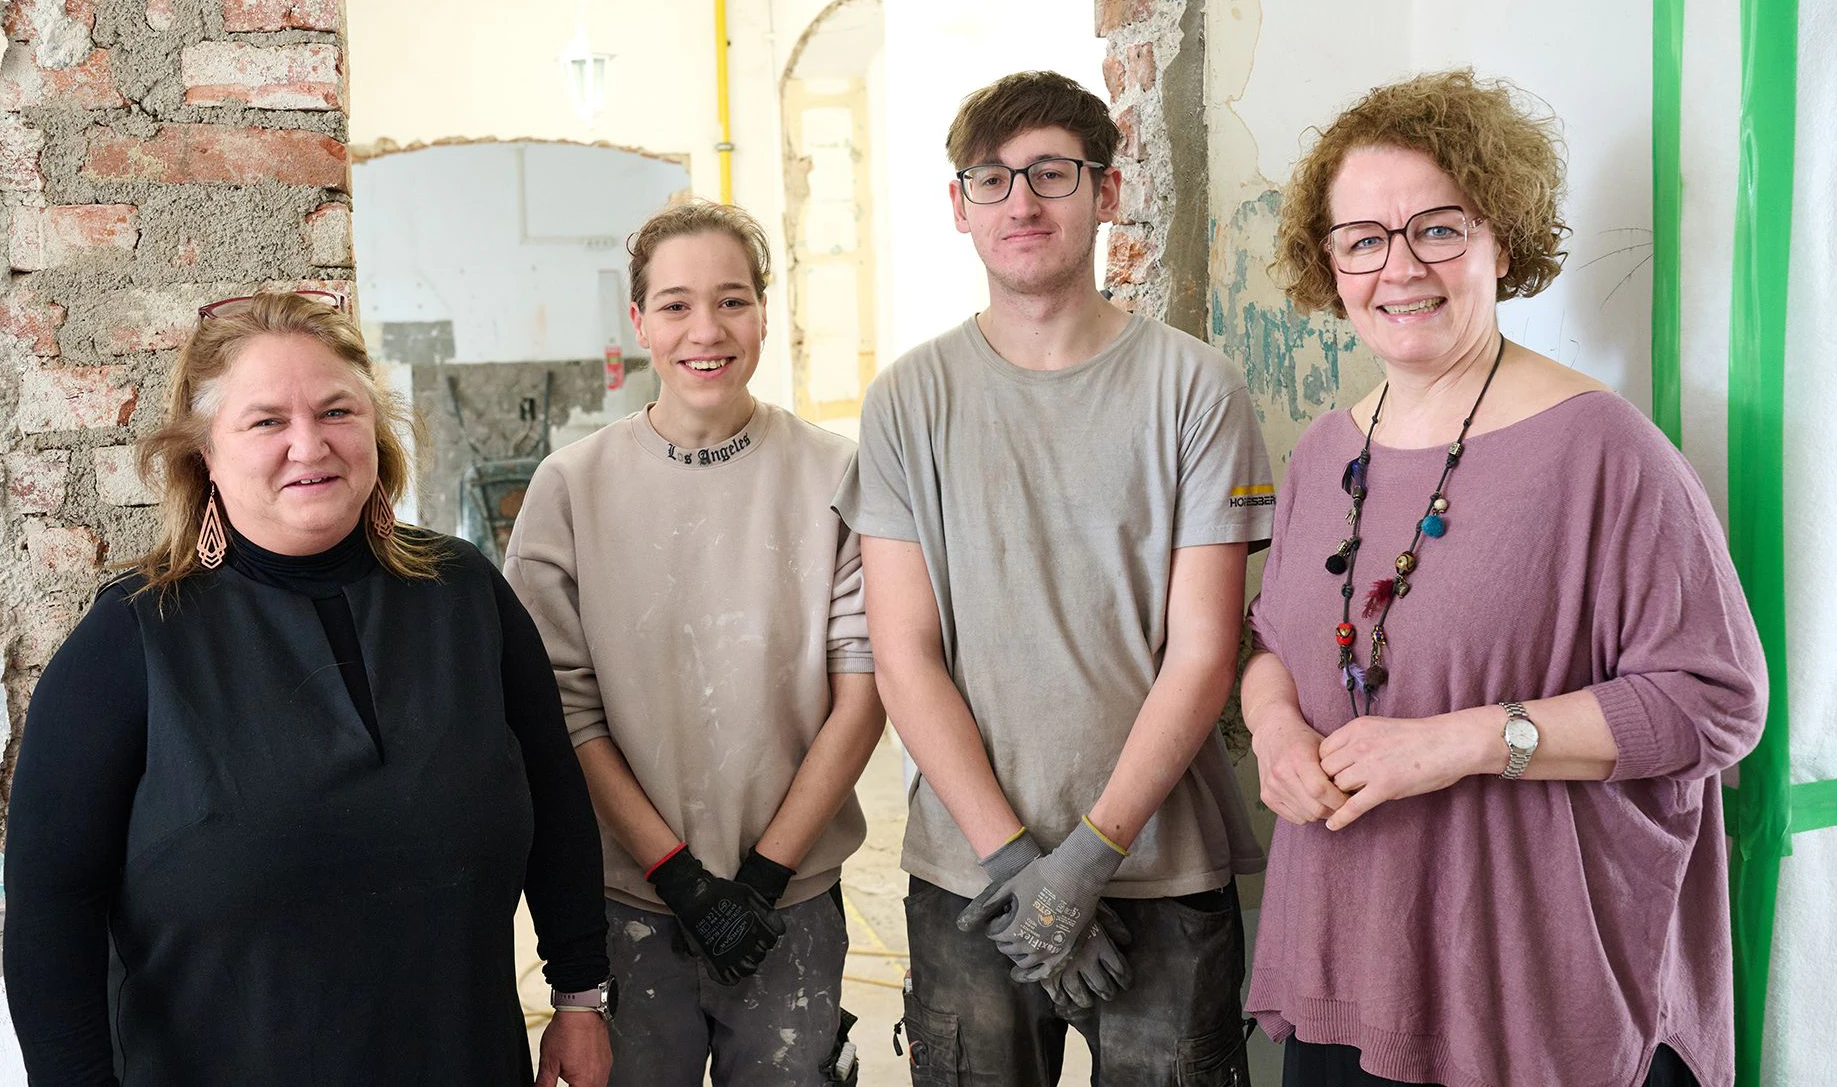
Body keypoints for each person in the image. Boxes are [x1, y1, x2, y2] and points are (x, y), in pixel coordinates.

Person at [1241, 69, 1767, 1087]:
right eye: (1363, 239)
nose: (1400, 268)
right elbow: (1270, 640)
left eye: (1437, 229)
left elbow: (1714, 705)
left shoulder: (1603, 451)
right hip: (1348, 975)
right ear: (1329, 265)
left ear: (1502, 240)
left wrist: (1463, 741)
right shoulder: (1319, 452)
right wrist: (1272, 730)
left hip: (1536, 1003)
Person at [1, 291, 613, 1087]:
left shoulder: (465, 594)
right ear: (206, 455)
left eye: (336, 410)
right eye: (265, 421)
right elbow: (52, 911)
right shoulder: (134, 637)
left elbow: (558, 805)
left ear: (373, 428)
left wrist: (579, 993)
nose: (309, 443)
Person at [836, 71, 1275, 1085]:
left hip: (1161, 869)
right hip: (968, 879)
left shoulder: (1195, 388)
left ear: (1107, 192)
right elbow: (903, 654)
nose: (1021, 203)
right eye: (991, 179)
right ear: (958, 207)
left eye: (1051, 174)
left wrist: (1087, 857)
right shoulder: (908, 399)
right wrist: (1016, 867)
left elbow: (1205, 650)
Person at [503, 200, 884, 1087]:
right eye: (674, 304)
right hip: (630, 903)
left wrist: (761, 877)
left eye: (732, 300)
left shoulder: (839, 476)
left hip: (790, 901)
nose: (704, 330)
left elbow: (861, 692)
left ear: (763, 311)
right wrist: (677, 875)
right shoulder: (570, 489)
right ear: (637, 321)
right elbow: (563, 706)